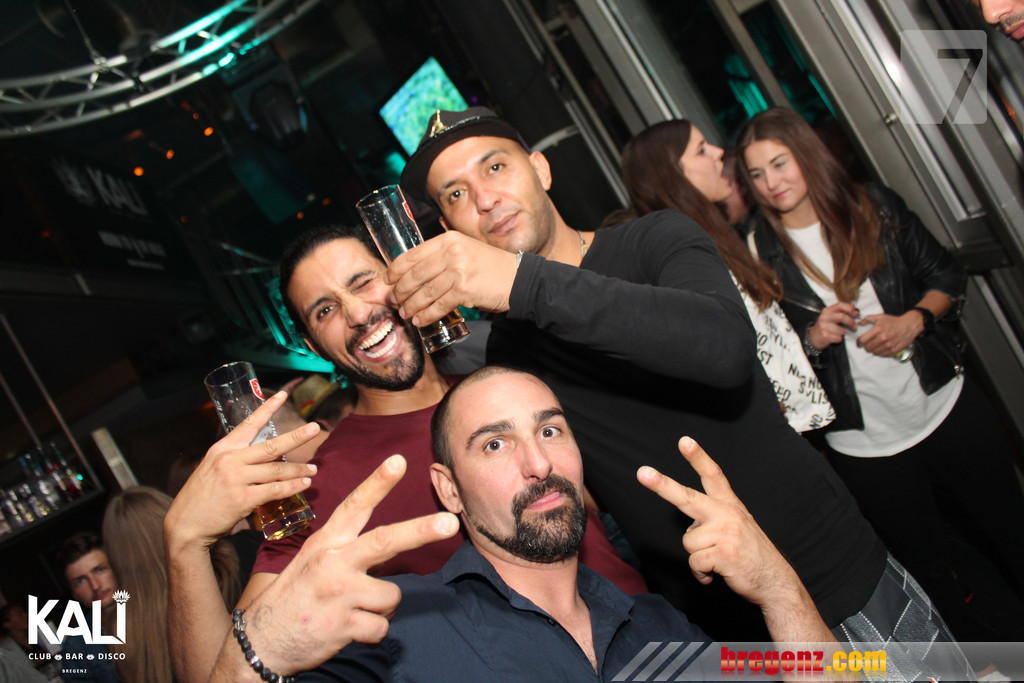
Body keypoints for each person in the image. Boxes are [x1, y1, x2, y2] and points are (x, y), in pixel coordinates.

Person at [386, 106, 955, 652]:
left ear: (541, 168)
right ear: (449, 227)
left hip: (834, 580)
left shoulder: (654, 240)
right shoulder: (510, 350)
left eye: (495, 166)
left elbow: (722, 350)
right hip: (719, 628)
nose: (485, 199)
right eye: (456, 194)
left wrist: (523, 283)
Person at [164, 225, 645, 683]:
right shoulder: (324, 486)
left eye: (363, 282)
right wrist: (184, 544)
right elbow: (222, 672)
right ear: (313, 345)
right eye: (326, 310)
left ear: (401, 274)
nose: (358, 313)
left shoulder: (511, 391)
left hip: (658, 642)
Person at [208, 368, 849, 682]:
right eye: (494, 444)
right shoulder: (400, 633)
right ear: (448, 490)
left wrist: (778, 587)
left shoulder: (657, 624)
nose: (538, 464)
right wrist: (256, 652)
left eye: (550, 431)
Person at [737, 106, 1024, 640]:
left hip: (944, 406)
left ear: (807, 156)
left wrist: (913, 321)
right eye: (756, 174)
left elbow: (945, 274)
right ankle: (979, 667)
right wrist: (813, 337)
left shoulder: (871, 206)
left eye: (779, 163)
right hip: (864, 446)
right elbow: (768, 358)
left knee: (1010, 526)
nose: (771, 183)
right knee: (929, 570)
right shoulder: (758, 250)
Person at [621, 119, 835, 433]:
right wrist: (753, 405)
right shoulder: (680, 261)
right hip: (771, 431)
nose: (719, 152)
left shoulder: (713, 236)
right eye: (701, 150)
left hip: (797, 420)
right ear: (673, 175)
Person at [55, 532, 121, 683]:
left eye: (100, 570)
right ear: (73, 593)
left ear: (116, 567)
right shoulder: (77, 647)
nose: (95, 585)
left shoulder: (156, 609)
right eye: (80, 581)